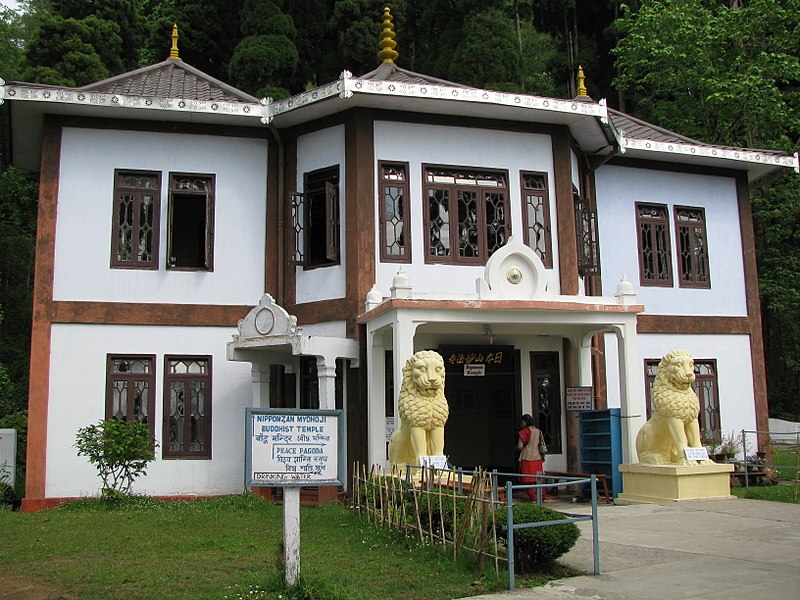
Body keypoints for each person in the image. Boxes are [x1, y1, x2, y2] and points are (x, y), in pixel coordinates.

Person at [516, 414, 548, 502]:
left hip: (527, 457)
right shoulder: (538, 431)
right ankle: (543, 497)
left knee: (527, 479)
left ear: (525, 422)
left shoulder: (524, 432)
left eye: (522, 422)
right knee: (539, 478)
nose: (521, 424)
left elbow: (520, 446)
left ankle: (533, 497)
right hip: (537, 457)